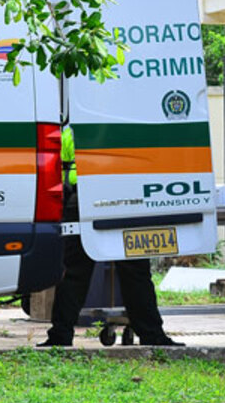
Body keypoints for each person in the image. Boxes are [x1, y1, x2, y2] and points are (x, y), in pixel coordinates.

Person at [38, 125, 183, 347]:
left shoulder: (74, 126)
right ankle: (152, 335)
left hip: (85, 196)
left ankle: (60, 336)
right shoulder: (130, 122)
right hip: (126, 194)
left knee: (75, 272)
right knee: (134, 271)